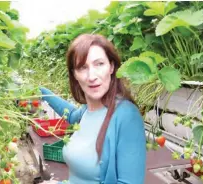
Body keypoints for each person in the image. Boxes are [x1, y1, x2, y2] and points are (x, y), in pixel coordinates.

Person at [39, 34, 146, 184]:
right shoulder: (85, 112)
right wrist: (42, 92)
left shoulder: (126, 116)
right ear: (74, 75)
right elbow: (70, 115)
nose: (91, 76)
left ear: (112, 67)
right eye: (82, 67)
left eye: (99, 64)